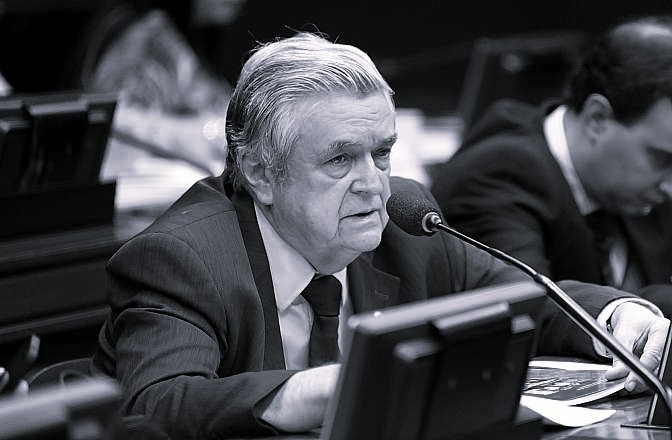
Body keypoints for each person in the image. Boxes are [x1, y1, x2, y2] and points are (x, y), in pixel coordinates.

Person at [92, 32, 670, 439]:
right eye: (340, 159)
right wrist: (316, 390)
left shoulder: (403, 220)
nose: (373, 184)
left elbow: (524, 298)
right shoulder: (182, 257)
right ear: (261, 173)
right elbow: (155, 407)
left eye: (383, 152)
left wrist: (615, 313)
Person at [431, 15, 672, 316]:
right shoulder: (496, 177)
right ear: (597, 119)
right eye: (663, 159)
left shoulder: (636, 178)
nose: (670, 187)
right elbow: (531, 312)